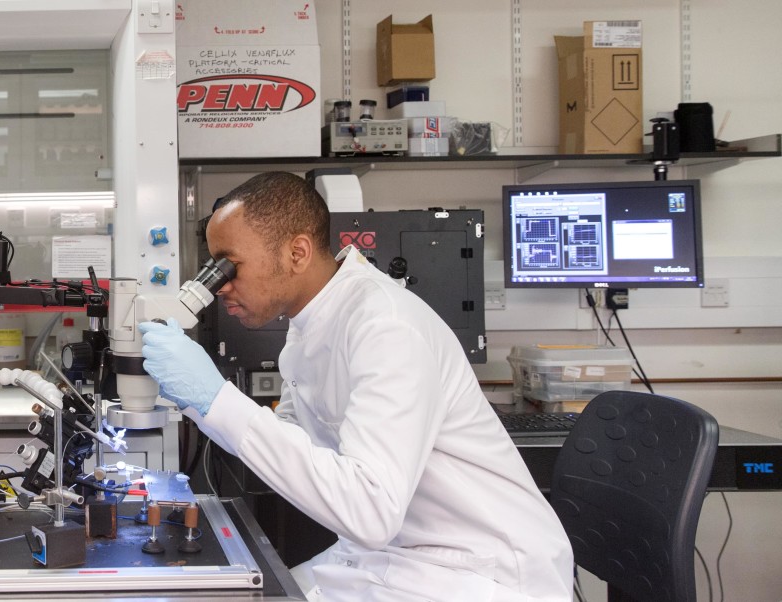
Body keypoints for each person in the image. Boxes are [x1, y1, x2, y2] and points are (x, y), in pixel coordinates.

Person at [139, 172, 573, 601]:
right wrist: (200, 402)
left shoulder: (386, 325)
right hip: (391, 556)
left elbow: (370, 509)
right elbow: (295, 445)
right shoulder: (311, 324)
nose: (221, 286)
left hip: (478, 572)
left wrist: (214, 398)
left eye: (229, 265)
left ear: (298, 252)